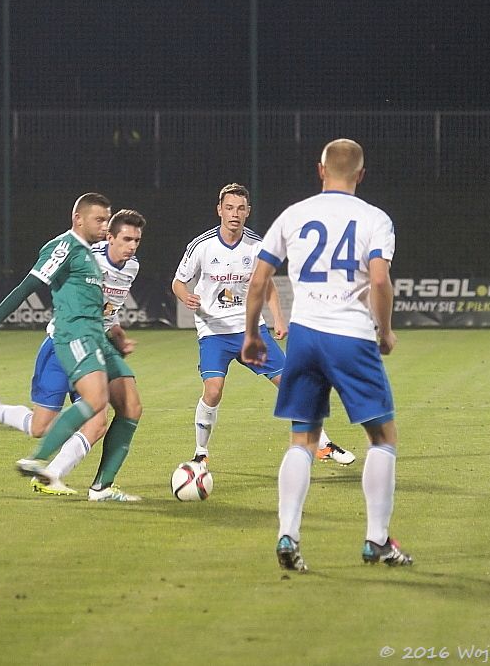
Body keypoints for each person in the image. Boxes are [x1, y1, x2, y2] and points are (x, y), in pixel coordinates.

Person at [242, 138, 413, 572]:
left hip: (304, 335)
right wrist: (385, 331)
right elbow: (379, 281)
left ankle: (288, 534)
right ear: (361, 174)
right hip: (351, 337)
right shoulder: (375, 218)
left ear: (320, 170)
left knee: (302, 438)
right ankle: (377, 540)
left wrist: (251, 334)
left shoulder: (293, 214)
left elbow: (259, 279)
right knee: (383, 437)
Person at [0, 209, 146, 497]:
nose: (132, 246)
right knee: (40, 426)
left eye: (137, 240)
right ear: (110, 238)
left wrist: (118, 336)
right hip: (63, 344)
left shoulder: (132, 267)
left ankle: (74, 481)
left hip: (97, 343)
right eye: (127, 239)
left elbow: (107, 310)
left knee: (109, 416)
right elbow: (35, 284)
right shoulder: (85, 256)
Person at [172, 183, 354, 467]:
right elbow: (178, 282)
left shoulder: (257, 245)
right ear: (219, 210)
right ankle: (201, 452)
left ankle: (322, 445)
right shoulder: (201, 245)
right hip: (214, 333)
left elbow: (266, 284)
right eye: (229, 208)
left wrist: (278, 317)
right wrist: (185, 296)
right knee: (213, 390)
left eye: (240, 208)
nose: (234, 214)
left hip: (251, 331)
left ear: (248, 212)